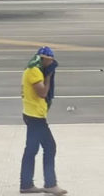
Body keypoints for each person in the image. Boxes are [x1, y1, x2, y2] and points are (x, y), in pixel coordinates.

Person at [20, 46, 67, 194]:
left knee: (31, 150)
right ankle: (50, 184)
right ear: (43, 59)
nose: (50, 64)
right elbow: (42, 92)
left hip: (32, 114)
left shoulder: (33, 68)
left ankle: (26, 184)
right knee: (50, 147)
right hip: (35, 117)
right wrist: (48, 76)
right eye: (49, 61)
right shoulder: (34, 71)